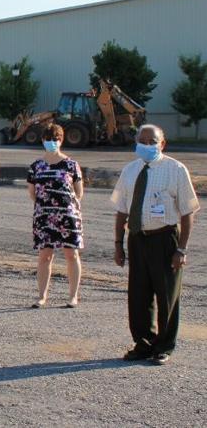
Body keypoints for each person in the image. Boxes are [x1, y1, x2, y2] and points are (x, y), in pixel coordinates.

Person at [111, 124, 199, 366]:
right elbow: (121, 209)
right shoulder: (130, 170)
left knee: (167, 295)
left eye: (153, 141)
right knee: (138, 295)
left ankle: (164, 346)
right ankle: (143, 343)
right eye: (143, 141)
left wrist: (181, 249)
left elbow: (188, 212)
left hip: (165, 239)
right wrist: (118, 244)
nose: (147, 145)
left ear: (163, 144)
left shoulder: (175, 170)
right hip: (137, 239)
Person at [27, 124, 83, 309]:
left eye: (56, 139)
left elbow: (78, 192)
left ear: (61, 140)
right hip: (44, 216)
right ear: (43, 140)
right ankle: (42, 296)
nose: (52, 142)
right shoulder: (35, 166)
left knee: (71, 254)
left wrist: (65, 206)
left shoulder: (71, 165)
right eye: (48, 139)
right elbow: (32, 193)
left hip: (67, 216)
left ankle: (73, 296)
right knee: (45, 255)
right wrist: (47, 206)